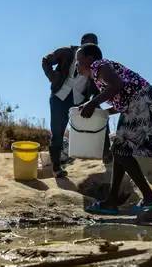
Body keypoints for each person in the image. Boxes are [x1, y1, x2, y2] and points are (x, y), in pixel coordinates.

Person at [76, 44, 152, 215]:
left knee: (120, 151)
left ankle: (149, 197)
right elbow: (120, 98)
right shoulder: (100, 73)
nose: (77, 66)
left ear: (90, 59)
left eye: (78, 61)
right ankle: (112, 201)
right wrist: (100, 112)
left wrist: (93, 103)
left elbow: (117, 85)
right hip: (142, 102)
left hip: (142, 102)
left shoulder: (99, 66)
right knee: (119, 151)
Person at [42, 33, 109, 178]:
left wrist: (94, 102)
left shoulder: (96, 62)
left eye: (95, 44)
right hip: (59, 97)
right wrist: (53, 76)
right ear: (82, 43)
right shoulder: (67, 52)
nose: (93, 47)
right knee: (57, 132)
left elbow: (97, 84)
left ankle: (107, 155)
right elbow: (45, 60)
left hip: (80, 100)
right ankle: (56, 168)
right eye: (90, 43)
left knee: (102, 117)